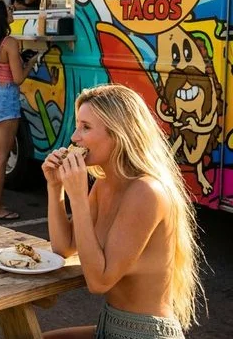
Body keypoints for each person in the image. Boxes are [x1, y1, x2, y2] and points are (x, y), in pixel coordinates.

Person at [43, 84, 204, 339]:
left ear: (119, 134)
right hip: (110, 324)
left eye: (86, 127)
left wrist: (79, 199)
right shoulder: (106, 183)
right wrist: (56, 188)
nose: (74, 137)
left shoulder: (146, 191)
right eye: (77, 126)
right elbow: (64, 248)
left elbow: (99, 282)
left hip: (146, 333)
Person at [0, 0, 36, 220]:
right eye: (9, 10)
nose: (12, 12)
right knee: (1, 157)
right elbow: (18, 78)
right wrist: (29, 64)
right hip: (5, 97)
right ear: (1, 17)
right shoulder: (9, 42)